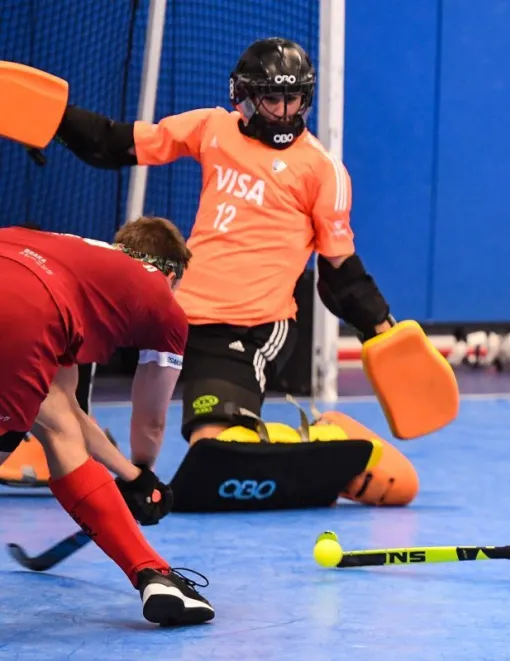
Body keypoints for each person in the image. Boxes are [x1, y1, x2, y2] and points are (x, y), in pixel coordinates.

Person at [51, 37, 418, 507]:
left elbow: (340, 272)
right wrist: (52, 120)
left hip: (250, 325)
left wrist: (383, 331)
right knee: (74, 329)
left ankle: (317, 437)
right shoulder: (212, 128)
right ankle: (60, 438)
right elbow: (113, 143)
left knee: (216, 454)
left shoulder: (323, 170)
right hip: (176, 313)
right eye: (272, 99)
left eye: (294, 99)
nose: (285, 113)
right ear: (242, 97)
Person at [0, 219, 214, 625]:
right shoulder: (162, 301)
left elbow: (68, 413)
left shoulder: (71, 260)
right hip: (20, 312)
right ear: (170, 275)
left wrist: (128, 475)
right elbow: (150, 420)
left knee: (57, 424)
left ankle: (154, 572)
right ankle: (154, 575)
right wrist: (145, 473)